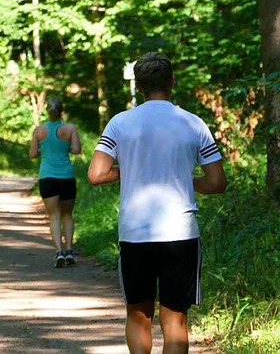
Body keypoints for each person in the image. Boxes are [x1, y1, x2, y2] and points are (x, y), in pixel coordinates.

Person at [87, 52, 227, 354]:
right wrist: (183, 179)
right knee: (175, 320)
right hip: (181, 234)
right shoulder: (194, 123)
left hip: (136, 233)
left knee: (138, 316)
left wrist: (131, 170)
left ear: (138, 85)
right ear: (172, 82)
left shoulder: (119, 123)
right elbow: (217, 183)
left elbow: (96, 174)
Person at [29, 97, 82, 268]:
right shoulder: (70, 129)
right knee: (67, 215)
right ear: (62, 111)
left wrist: (43, 147)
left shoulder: (39, 131)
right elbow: (76, 150)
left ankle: (59, 252)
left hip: (47, 177)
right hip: (66, 177)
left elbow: (32, 154)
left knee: (54, 216)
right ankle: (69, 251)